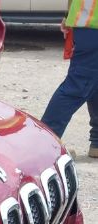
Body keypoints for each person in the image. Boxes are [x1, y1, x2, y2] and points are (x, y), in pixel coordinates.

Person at [41, 0, 98, 158]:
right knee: (79, 84)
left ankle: (97, 142)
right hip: (92, 24)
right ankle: (44, 143)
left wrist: (68, 15)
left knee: (92, 81)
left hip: (88, 21)